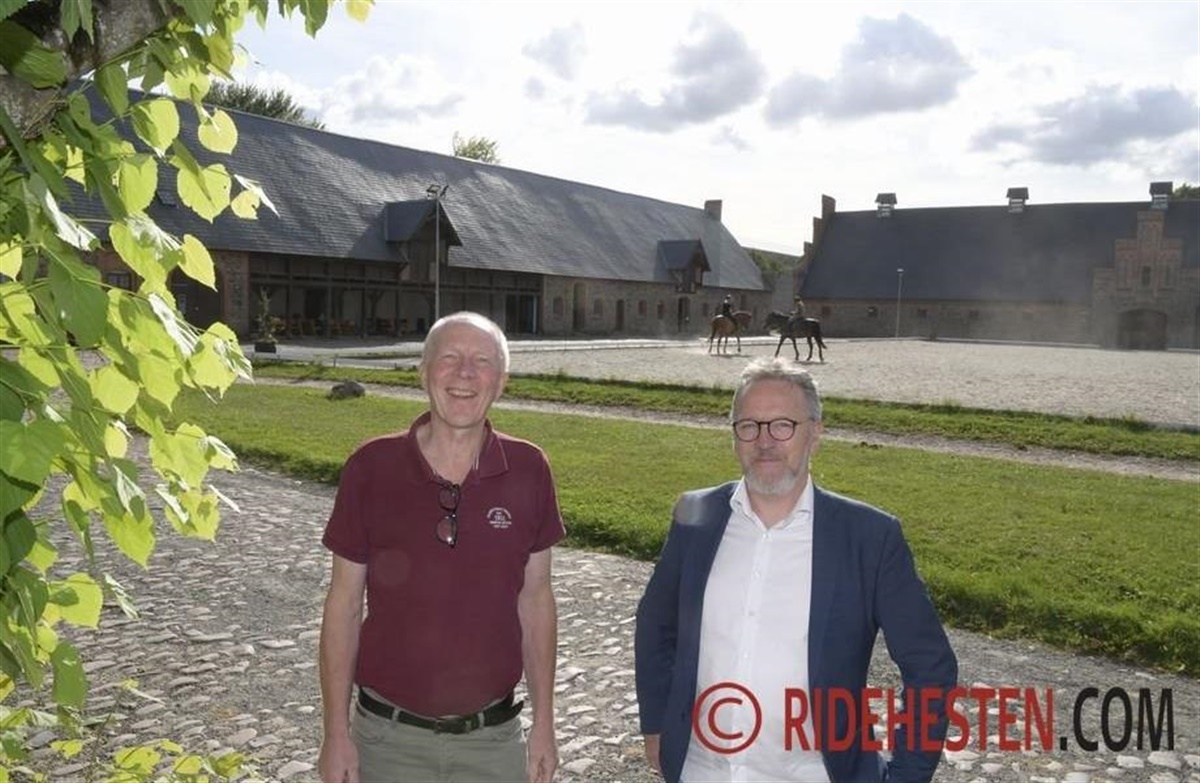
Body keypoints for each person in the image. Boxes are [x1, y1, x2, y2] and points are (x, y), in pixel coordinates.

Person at [635, 357, 957, 783]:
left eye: (782, 425)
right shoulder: (696, 517)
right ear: (733, 436)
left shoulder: (869, 538)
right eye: (748, 425)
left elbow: (929, 666)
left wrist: (906, 775)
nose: (764, 441)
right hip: (700, 771)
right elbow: (656, 623)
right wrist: (656, 722)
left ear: (815, 433)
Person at [318, 312, 564, 783]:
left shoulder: (530, 469)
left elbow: (536, 602)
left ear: (502, 381)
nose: (465, 373)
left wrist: (545, 726)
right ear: (423, 371)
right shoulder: (371, 467)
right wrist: (335, 734)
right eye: (449, 357)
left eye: (482, 361)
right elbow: (343, 604)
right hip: (386, 742)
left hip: (492, 743)